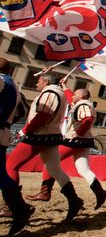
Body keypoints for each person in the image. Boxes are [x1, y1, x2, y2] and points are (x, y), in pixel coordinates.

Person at [5, 72, 84, 222]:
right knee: (54, 170)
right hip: (53, 135)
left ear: (46, 82)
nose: (36, 84)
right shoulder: (59, 93)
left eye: (39, 81)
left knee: (11, 166)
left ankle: (13, 206)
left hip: (40, 134)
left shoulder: (50, 93)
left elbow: (43, 115)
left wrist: (26, 129)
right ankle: (74, 200)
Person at [25, 82, 106, 210]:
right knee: (83, 169)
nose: (72, 96)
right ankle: (100, 193)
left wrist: (78, 133)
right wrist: (64, 86)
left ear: (81, 96)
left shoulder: (83, 105)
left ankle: (45, 191)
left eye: (75, 94)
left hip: (75, 140)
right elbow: (71, 98)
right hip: (85, 141)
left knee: (50, 164)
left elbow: (87, 119)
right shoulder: (81, 103)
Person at [0, 58, 34, 235]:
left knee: (5, 172)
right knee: (3, 174)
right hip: (3, 130)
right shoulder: (12, 85)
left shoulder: (2, 82)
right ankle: (20, 208)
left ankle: (20, 208)